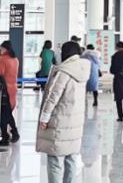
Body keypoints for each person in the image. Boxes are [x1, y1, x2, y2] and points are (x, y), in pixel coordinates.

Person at [36, 41, 90, 183]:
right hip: (75, 121)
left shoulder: (64, 71)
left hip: (60, 121)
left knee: (55, 159)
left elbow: (53, 96)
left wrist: (44, 117)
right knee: (71, 158)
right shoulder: (82, 69)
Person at [0, 40, 20, 142]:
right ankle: (8, 135)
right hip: (13, 88)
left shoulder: (3, 58)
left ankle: (10, 135)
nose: (0, 50)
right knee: (7, 113)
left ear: (5, 48)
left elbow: (0, 73)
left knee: (4, 114)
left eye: (1, 48)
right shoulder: (15, 59)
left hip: (5, 89)